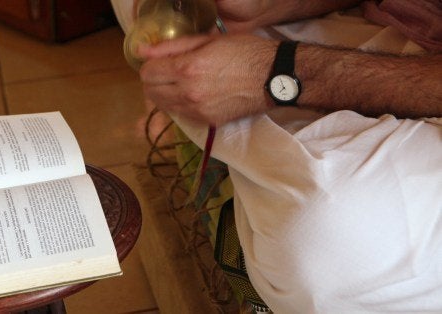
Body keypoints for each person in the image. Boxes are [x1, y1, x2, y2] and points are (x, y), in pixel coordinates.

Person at [114, 0, 442, 312]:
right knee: (161, 26)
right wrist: (269, 7)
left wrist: (279, 74)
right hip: (404, 28)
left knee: (328, 246)